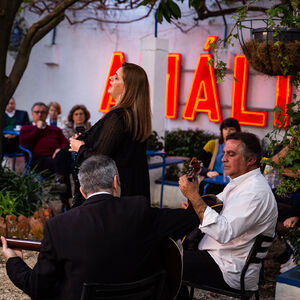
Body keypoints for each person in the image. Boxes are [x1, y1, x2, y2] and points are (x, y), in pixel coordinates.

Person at [1, 154, 202, 300]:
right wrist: (193, 195)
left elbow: (38, 288)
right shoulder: (140, 210)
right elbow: (192, 220)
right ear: (115, 182)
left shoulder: (58, 226)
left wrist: (13, 260)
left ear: (82, 190)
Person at [177, 132, 278, 298]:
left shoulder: (255, 192)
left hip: (230, 269)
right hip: (219, 257)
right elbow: (213, 207)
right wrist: (194, 202)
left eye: (231, 154)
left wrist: (194, 197)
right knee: (164, 253)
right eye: (224, 153)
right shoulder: (240, 183)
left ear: (251, 160)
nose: (223, 159)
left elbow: (223, 232)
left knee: (165, 262)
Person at [69, 62, 152, 206]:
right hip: (131, 191)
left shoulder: (118, 117)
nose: (111, 80)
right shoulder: (133, 116)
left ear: (127, 86)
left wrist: (80, 147)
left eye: (116, 77)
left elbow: (100, 158)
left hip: (115, 194)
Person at [19, 102, 72, 209]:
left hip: (56, 158)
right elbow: (25, 144)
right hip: (38, 160)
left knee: (65, 152)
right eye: (37, 112)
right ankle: (65, 200)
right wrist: (37, 129)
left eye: (43, 112)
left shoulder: (55, 130)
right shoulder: (27, 128)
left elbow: (65, 142)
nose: (40, 115)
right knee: (64, 168)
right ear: (32, 114)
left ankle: (59, 179)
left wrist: (59, 149)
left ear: (47, 114)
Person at [197, 117, 241, 195]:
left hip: (232, 182)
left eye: (231, 129)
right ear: (221, 131)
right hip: (213, 180)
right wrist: (207, 172)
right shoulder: (212, 144)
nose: (228, 132)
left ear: (237, 132)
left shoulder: (241, 147)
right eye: (225, 129)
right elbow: (195, 165)